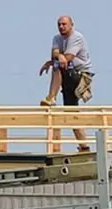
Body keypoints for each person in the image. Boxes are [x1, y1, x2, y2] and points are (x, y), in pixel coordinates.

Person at [39, 15, 94, 151]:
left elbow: (67, 58)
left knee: (58, 65)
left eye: (64, 24)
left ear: (71, 25)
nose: (61, 27)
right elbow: (55, 53)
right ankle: (84, 146)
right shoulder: (57, 38)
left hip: (80, 76)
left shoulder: (76, 37)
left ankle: (51, 97)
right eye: (59, 24)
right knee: (71, 112)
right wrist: (54, 59)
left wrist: (56, 60)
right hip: (67, 77)